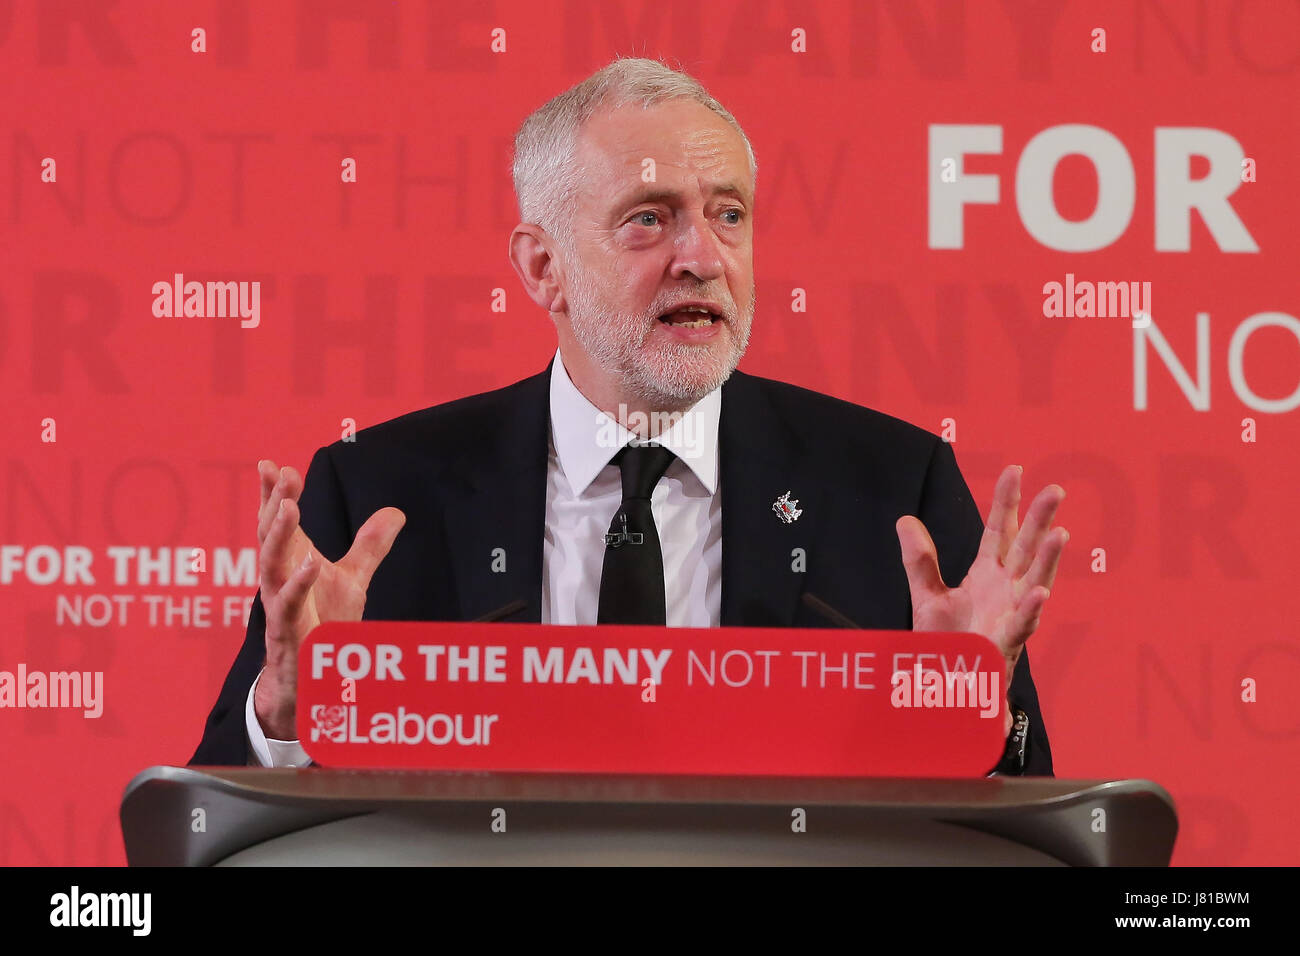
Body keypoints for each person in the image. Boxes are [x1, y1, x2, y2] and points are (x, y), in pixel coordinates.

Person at [191, 56, 1067, 774]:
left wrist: (974, 720)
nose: (704, 257)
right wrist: (290, 716)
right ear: (543, 269)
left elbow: (1025, 830)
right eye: (649, 221)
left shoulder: (890, 491)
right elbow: (208, 819)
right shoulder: (380, 493)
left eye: (729, 214)